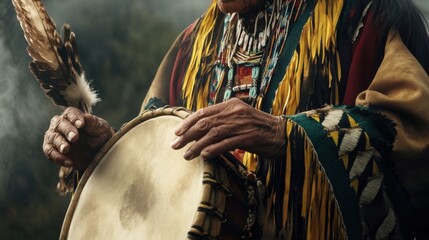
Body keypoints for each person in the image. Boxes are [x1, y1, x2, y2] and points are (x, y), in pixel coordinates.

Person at [43, 0, 429, 238]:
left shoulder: (363, 18)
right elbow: (158, 170)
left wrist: (286, 136)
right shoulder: (193, 47)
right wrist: (107, 155)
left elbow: (413, 136)